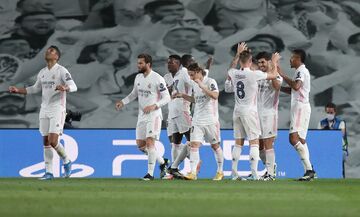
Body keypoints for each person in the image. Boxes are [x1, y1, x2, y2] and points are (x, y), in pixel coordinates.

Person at [8, 45, 77, 180]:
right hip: (44, 108)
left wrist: (65, 87)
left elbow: (74, 86)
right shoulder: (42, 72)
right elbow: (34, 89)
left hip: (57, 108)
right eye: (47, 51)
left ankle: (67, 160)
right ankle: (49, 173)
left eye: (51, 51)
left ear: (57, 56)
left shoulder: (62, 71)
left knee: (53, 141)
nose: (48, 52)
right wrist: (18, 90)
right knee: (46, 141)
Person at [225, 42, 280, 180]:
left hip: (237, 111)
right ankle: (255, 173)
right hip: (250, 112)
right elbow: (273, 75)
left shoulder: (234, 73)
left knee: (238, 143)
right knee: (254, 142)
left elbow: (230, 68)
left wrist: (237, 54)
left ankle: (234, 173)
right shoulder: (254, 75)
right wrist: (273, 62)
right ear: (250, 61)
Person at [115, 53, 171, 181]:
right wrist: (123, 102)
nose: (138, 65)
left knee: (150, 143)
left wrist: (155, 106)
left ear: (148, 64)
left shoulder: (158, 78)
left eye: (140, 63)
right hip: (142, 116)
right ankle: (163, 162)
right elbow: (134, 94)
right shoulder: (138, 77)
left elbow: (167, 97)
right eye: (138, 63)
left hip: (154, 116)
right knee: (141, 146)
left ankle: (150, 174)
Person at [176, 63, 224, 181]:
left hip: (211, 121)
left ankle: (220, 171)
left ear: (198, 72)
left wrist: (202, 85)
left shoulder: (210, 81)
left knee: (215, 146)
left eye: (192, 75)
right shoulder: (194, 84)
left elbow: (215, 96)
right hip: (197, 120)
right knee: (194, 145)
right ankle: (193, 173)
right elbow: (196, 99)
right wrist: (183, 95)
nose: (191, 78)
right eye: (189, 75)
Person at [278, 49, 316, 181]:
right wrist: (279, 88)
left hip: (300, 107)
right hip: (302, 107)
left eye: (292, 57)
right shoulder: (301, 71)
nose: (290, 59)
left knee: (293, 139)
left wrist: (282, 75)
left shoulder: (301, 71)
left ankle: (309, 170)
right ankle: (309, 171)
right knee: (301, 140)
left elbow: (296, 86)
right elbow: (294, 89)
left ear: (298, 59)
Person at [163, 55, 192, 176]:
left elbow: (193, 84)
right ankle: (174, 171)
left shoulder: (184, 72)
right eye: (168, 63)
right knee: (175, 143)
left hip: (182, 110)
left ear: (179, 64)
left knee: (193, 139)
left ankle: (193, 166)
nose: (169, 65)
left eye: (172, 63)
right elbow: (166, 95)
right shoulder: (167, 77)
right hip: (172, 112)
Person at [256, 51, 282, 180]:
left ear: (269, 62)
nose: (260, 65)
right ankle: (270, 168)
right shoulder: (259, 75)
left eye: (263, 62)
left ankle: (271, 174)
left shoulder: (276, 75)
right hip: (256, 115)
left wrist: (274, 65)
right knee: (259, 146)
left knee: (268, 144)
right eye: (259, 62)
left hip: (269, 114)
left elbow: (277, 86)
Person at [318, 102, 348, 178]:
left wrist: (329, 130)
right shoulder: (321, 123)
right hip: (325, 148)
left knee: (341, 155)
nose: (329, 114)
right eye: (328, 112)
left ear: (335, 112)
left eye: (331, 112)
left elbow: (341, 134)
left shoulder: (341, 123)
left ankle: (341, 178)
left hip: (339, 148)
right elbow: (318, 136)